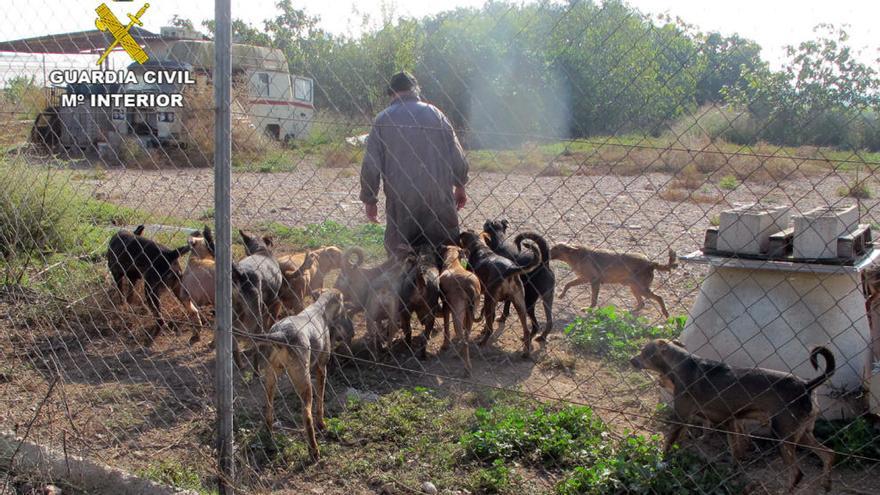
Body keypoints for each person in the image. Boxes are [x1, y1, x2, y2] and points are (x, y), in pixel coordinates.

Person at [360, 71, 469, 259]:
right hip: (438, 200)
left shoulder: (383, 120)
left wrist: (370, 199)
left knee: (401, 261)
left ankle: (404, 285)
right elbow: (457, 154)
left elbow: (371, 164)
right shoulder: (436, 115)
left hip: (402, 203)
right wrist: (460, 184)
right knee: (445, 256)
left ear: (392, 93)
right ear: (415, 90)